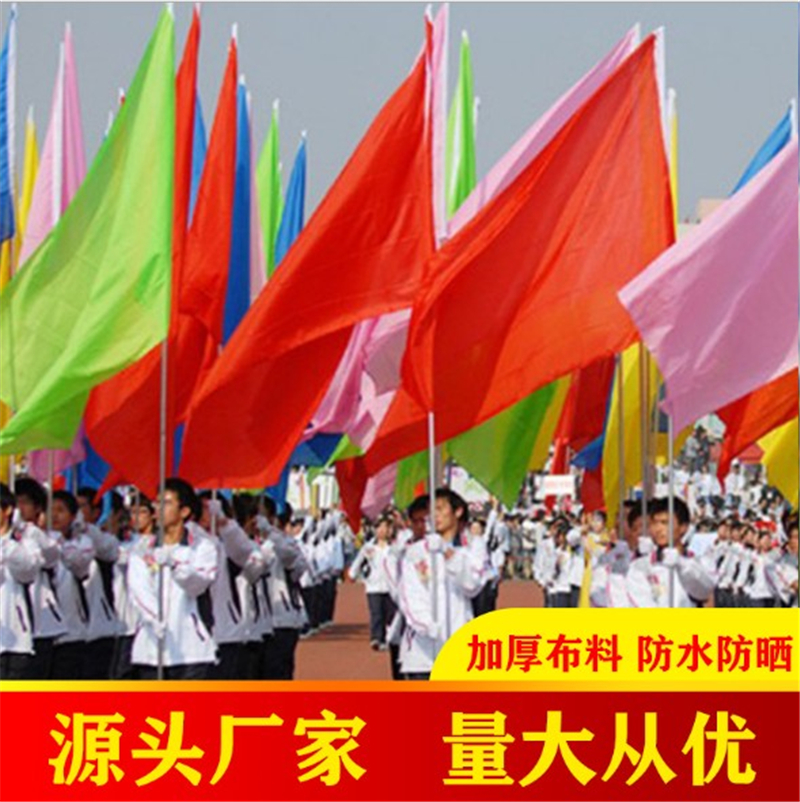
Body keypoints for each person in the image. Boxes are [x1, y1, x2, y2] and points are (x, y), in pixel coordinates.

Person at [128, 478, 218, 679]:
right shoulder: (142, 549)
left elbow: (198, 585)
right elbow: (138, 589)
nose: (158, 509)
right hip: (151, 648)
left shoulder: (202, 547)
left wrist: (175, 565)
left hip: (191, 650)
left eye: (166, 503)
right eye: (157, 502)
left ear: (184, 511)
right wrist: (154, 618)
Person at [395, 489, 485, 680]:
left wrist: (447, 553)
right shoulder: (415, 553)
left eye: (440, 508)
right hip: (423, 653)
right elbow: (410, 596)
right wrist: (427, 625)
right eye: (431, 510)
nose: (435, 515)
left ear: (457, 511)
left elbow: (472, 585)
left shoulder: (469, 551)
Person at [15, 478, 65, 679]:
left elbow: (51, 555)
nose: (19, 508)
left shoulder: (46, 537)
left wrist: (28, 531)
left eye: (24, 502)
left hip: (40, 625)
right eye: (15, 502)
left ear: (38, 508)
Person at [624, 498, 714, 608]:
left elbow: (704, 592)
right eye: (654, 523)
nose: (658, 529)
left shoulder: (701, 563)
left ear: (683, 527)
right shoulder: (640, 566)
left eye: (664, 523)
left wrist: (682, 564)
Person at [0, 483, 43, 679]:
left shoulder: (24, 542)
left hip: (15, 641)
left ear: (8, 510)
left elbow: (28, 571)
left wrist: (6, 545)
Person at [348, 514, 396, 650]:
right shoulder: (368, 547)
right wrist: (352, 573)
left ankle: (388, 638)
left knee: (389, 614)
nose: (381, 530)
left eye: (384, 527)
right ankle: (376, 638)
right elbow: (359, 561)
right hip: (373, 586)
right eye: (378, 527)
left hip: (390, 587)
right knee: (376, 613)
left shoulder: (394, 547)